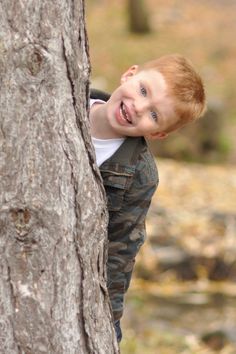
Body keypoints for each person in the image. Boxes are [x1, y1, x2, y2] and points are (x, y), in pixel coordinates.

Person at [89, 54, 206, 342]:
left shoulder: (139, 175)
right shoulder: (61, 97)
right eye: (143, 90)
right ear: (129, 74)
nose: (138, 107)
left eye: (154, 115)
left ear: (158, 133)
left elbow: (120, 249)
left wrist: (108, 325)